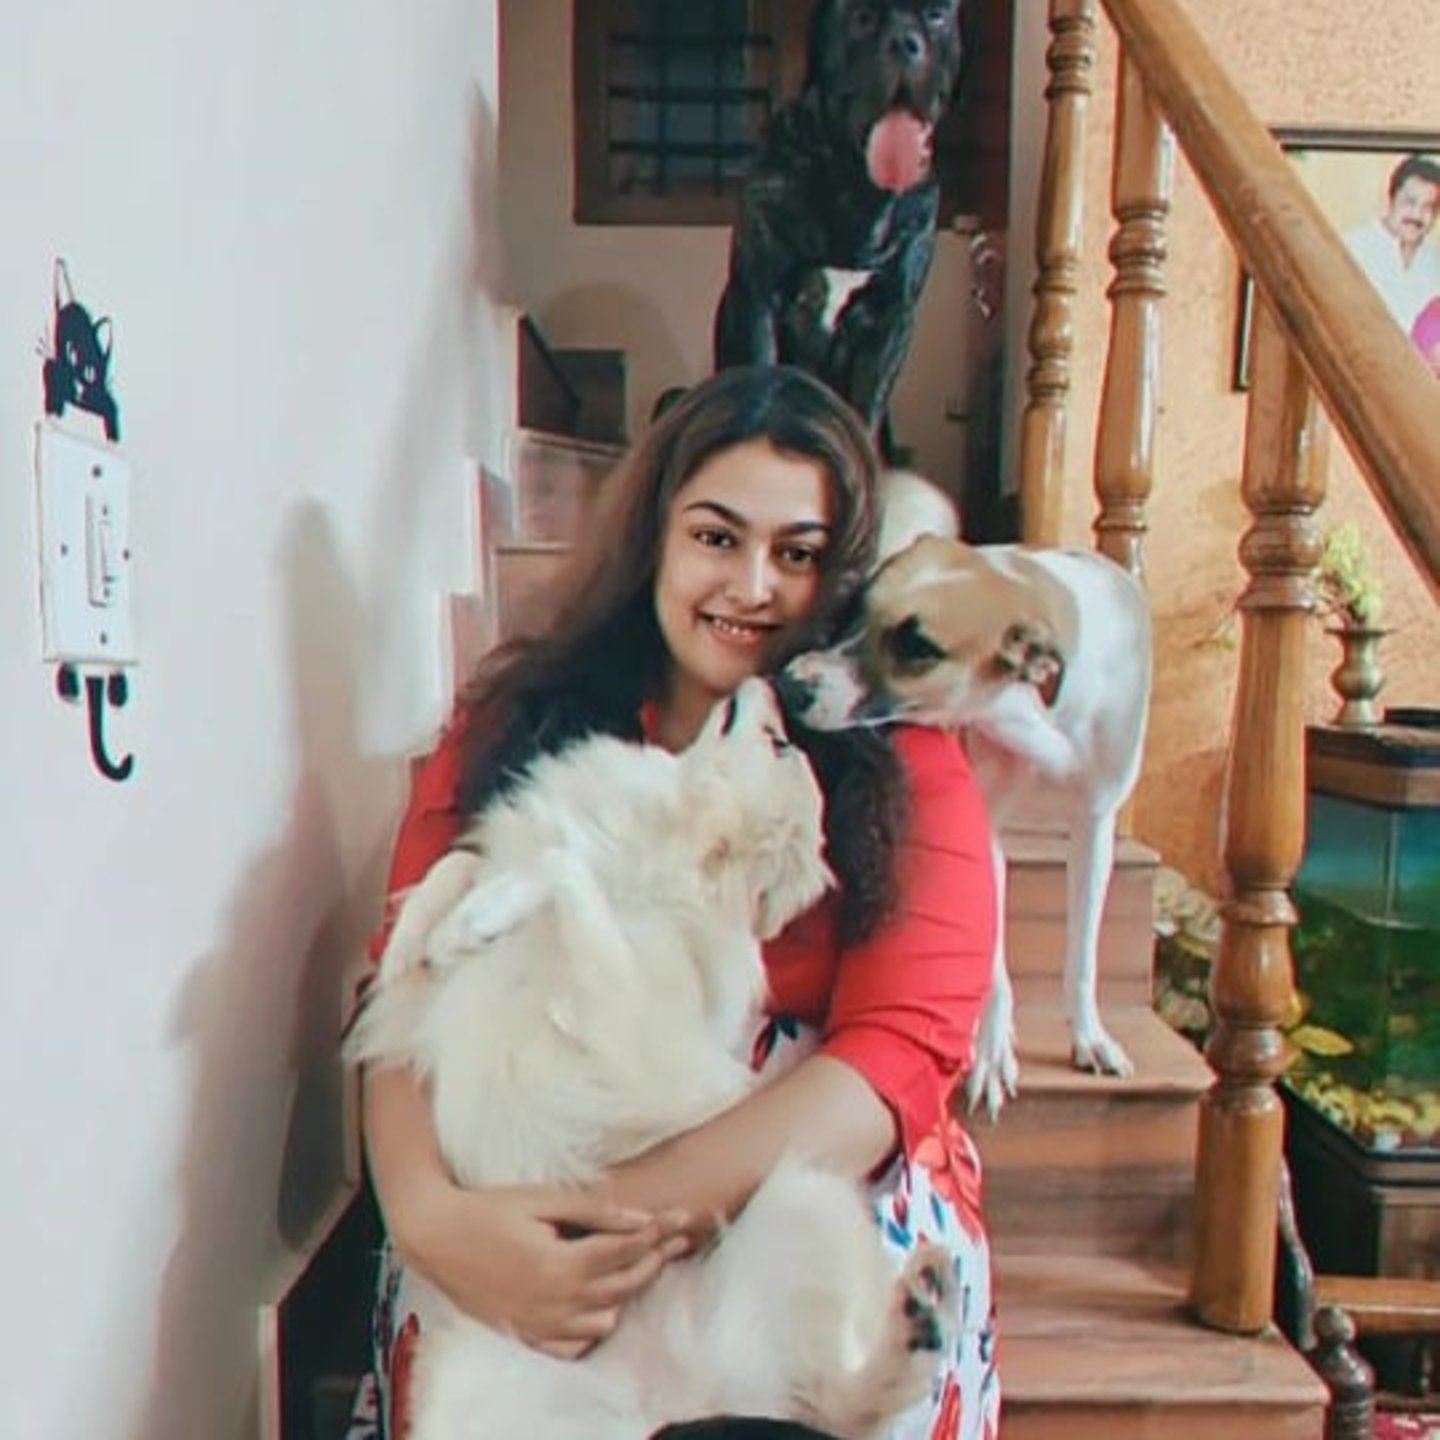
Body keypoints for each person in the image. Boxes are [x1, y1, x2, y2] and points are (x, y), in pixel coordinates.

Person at [345, 364, 1001, 1440]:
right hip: (525, 1173)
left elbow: (897, 1053)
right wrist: (436, 1222)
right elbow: (404, 990)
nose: (753, 585)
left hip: (792, 1159)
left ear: (841, 577)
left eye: (798, 554)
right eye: (716, 537)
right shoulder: (515, 727)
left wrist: (606, 1227)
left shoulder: (909, 766)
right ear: (655, 536)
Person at [1343, 153, 1440, 336]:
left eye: (1428, 207)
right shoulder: (1352, 250)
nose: (1417, 215)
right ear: (1390, 198)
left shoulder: (1436, 261)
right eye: (1410, 202)